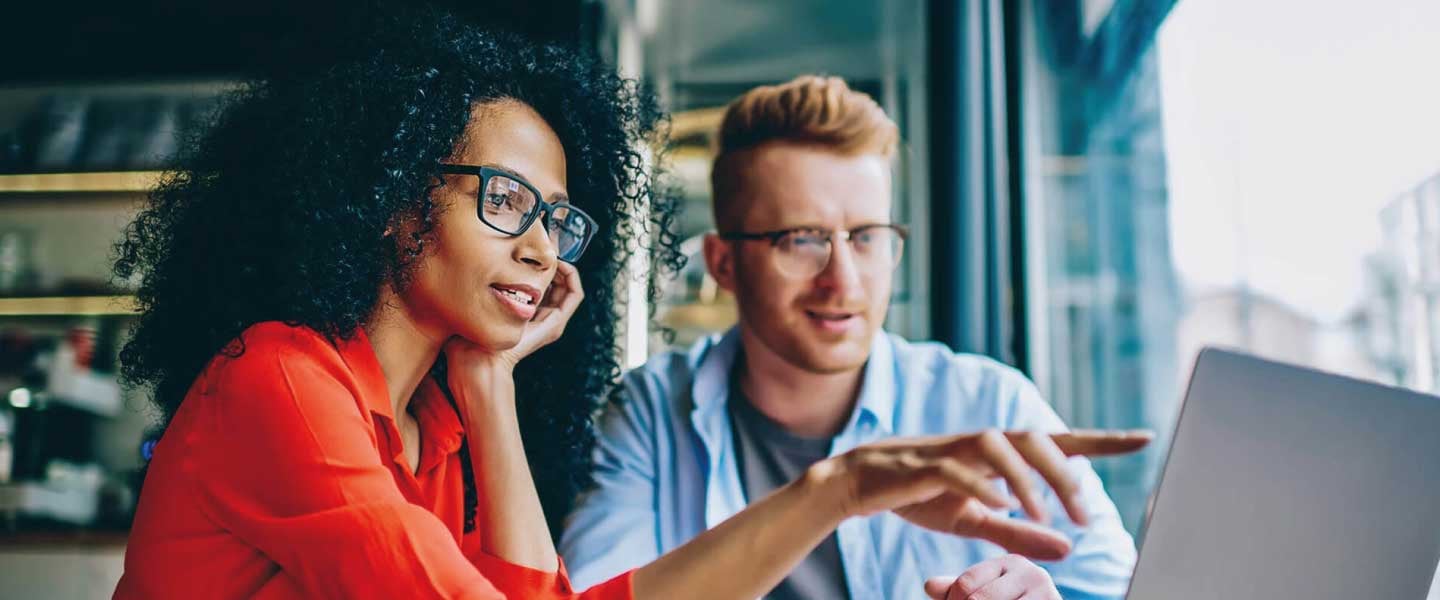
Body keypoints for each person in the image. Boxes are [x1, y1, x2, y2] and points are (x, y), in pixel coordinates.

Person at [115, 10, 1146, 598]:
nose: (537, 242)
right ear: (391, 201)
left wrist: (486, 383)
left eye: (557, 218)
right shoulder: (285, 380)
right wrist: (840, 488)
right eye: (505, 199)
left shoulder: (434, 425)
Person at [559, 75, 1142, 600]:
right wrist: (835, 490)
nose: (843, 279)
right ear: (724, 263)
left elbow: (1125, 590)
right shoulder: (651, 414)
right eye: (801, 239)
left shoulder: (990, 405)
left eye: (867, 237)